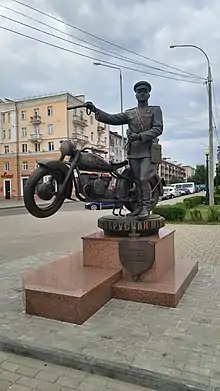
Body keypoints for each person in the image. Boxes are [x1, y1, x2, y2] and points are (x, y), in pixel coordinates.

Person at [86, 81, 163, 217]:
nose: (142, 93)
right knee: (137, 180)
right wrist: (95, 110)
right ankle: (138, 207)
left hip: (149, 152)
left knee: (144, 178)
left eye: (144, 91)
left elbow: (158, 129)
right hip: (133, 153)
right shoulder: (130, 113)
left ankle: (145, 206)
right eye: (139, 91)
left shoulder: (155, 110)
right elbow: (112, 118)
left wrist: (139, 136)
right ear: (135, 95)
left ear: (149, 94)